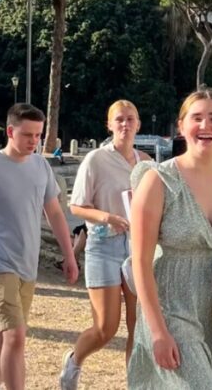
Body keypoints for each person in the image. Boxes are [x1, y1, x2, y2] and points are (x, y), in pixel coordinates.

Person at [128, 88, 212, 389]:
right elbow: (140, 260)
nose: (205, 126)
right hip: (170, 307)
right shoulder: (158, 180)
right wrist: (157, 331)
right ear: (181, 126)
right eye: (197, 117)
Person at [0, 103, 79, 390]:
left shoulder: (40, 166)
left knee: (4, 328)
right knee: (16, 335)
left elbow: (55, 213)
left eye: (38, 135)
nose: (34, 141)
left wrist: (69, 255)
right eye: (27, 135)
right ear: (10, 131)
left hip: (27, 264)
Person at [60, 100, 151, 389]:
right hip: (103, 244)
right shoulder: (96, 159)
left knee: (139, 327)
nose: (125, 125)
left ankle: (135, 383)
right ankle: (74, 361)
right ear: (109, 125)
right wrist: (107, 217)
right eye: (119, 120)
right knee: (106, 327)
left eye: (131, 119)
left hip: (137, 246)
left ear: (138, 123)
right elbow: (76, 206)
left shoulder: (147, 162)